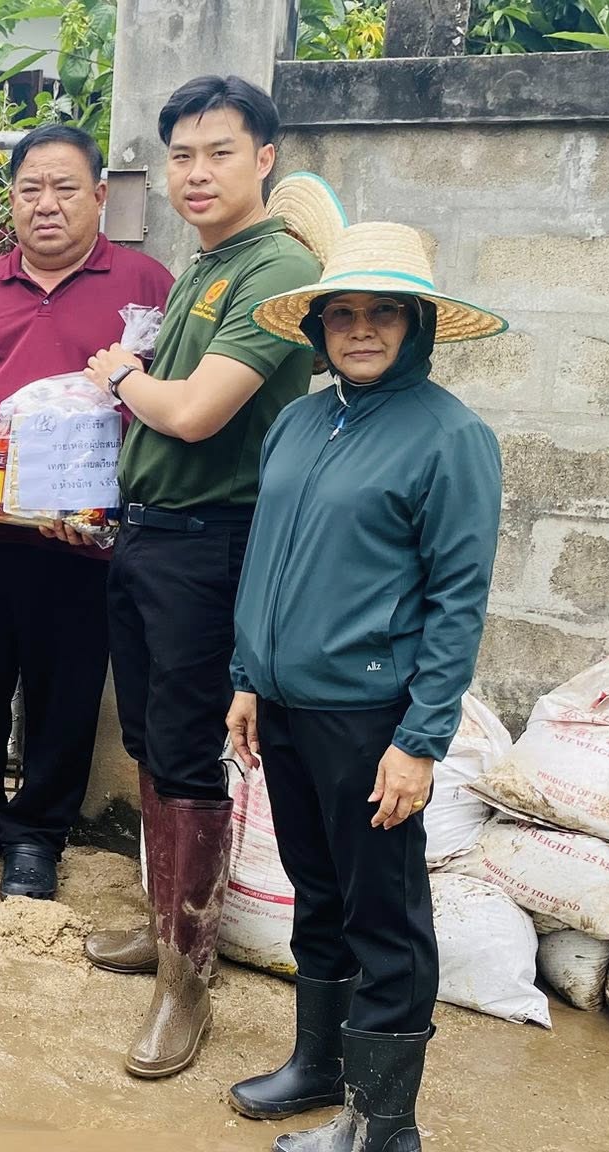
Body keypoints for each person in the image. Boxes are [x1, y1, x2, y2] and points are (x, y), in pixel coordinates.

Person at [224, 222, 503, 1151]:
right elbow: (267, 558)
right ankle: (319, 1066)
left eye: (385, 312)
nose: (361, 329)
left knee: (383, 912)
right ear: (317, 329)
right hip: (287, 706)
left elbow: (458, 600)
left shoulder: (450, 437)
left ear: (419, 324)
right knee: (317, 892)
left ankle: (384, 1123)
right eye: (341, 314)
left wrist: (420, 740)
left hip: (370, 715)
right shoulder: (301, 422)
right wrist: (248, 679)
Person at [81, 74, 323, 1079]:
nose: (195, 172)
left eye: (218, 152)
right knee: (150, 737)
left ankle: (187, 983)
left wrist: (118, 376)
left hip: (210, 541)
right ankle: (163, 932)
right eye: (180, 154)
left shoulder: (275, 267)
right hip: (150, 536)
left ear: (263, 158)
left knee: (185, 756)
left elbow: (191, 414)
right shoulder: (206, 263)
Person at [0, 122, 172, 901]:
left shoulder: (146, 285)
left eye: (65, 188)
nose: (47, 204)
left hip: (81, 542)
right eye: (30, 188)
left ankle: (37, 835)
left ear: (98, 196)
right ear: (12, 200)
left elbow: (168, 407)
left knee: (65, 692)